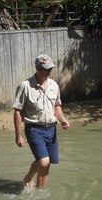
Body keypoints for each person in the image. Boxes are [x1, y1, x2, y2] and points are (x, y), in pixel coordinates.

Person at [13, 54, 70, 189]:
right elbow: (17, 111)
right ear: (38, 68)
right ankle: (28, 177)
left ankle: (41, 192)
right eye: (46, 69)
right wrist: (18, 135)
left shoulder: (53, 85)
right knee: (44, 161)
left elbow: (56, 106)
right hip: (34, 128)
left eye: (50, 68)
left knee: (46, 163)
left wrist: (62, 120)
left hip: (51, 129)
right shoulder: (25, 86)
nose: (49, 71)